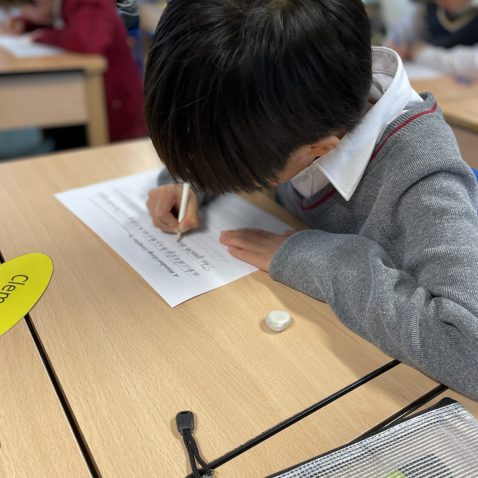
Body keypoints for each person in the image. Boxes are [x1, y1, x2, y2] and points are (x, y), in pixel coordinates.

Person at [144, 0, 478, 400]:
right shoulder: (304, 106)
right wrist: (188, 180)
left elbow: (467, 347)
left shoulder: (423, 177)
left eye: (245, 175)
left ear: (320, 150)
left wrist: (314, 258)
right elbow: (228, 124)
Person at [0, 0, 145, 143]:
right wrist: (24, 24)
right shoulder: (54, 6)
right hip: (83, 100)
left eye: (21, 8)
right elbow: (51, 19)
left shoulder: (88, 4)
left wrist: (40, 37)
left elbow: (88, 40)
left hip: (113, 103)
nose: (23, 13)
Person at [386, 0, 478, 80]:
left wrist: (422, 53)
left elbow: (474, 64)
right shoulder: (427, 7)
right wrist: (394, 48)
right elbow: (399, 36)